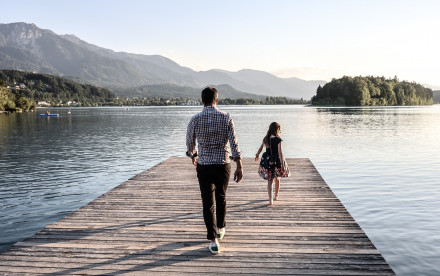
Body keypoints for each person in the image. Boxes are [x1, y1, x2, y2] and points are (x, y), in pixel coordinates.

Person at [186, 86, 243, 255]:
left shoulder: (195, 119)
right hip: (223, 164)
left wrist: (193, 155)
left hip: (204, 165)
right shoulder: (226, 118)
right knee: (221, 197)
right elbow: (234, 144)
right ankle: (221, 227)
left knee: (207, 202)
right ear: (216, 100)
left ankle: (213, 241)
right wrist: (240, 165)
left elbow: (190, 143)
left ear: (202, 101)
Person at [255, 122, 290, 206]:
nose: (280, 131)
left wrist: (257, 155)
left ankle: (270, 200)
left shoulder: (266, 138)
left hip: (267, 161)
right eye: (279, 130)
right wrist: (282, 165)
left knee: (269, 181)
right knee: (277, 178)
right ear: (276, 130)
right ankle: (276, 196)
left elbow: (261, 147)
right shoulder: (278, 140)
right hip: (276, 161)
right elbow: (280, 153)